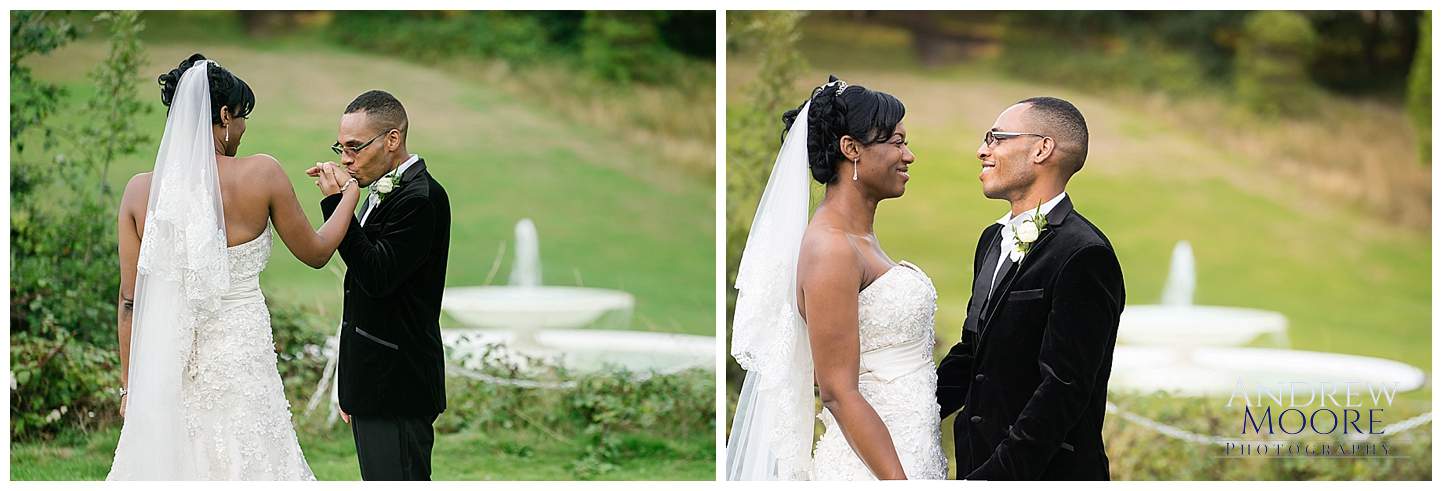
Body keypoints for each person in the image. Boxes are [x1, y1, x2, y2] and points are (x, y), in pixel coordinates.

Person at [110, 53, 361, 480]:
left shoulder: (138, 191)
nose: (243, 129)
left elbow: (130, 301)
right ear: (225, 115)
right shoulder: (262, 173)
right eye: (242, 116)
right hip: (240, 357)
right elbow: (317, 253)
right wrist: (350, 194)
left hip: (168, 362)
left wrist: (130, 386)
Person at [727, 76, 947, 480]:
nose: (909, 155)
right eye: (896, 142)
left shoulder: (858, 239)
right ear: (852, 149)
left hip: (908, 447)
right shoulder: (831, 249)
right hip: (873, 468)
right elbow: (837, 392)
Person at [936, 97, 1126, 480]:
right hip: (977, 466)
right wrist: (898, 409)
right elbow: (973, 352)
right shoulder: (991, 239)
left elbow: (1063, 389)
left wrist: (994, 479)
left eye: (997, 138)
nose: (982, 150)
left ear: (1042, 149)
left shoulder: (1084, 254)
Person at [310, 90, 452, 481]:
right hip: (374, 382)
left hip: (399, 385)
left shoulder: (421, 198)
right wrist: (351, 382)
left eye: (355, 147)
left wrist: (339, 203)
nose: (345, 159)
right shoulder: (382, 191)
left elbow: (375, 276)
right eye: (341, 147)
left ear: (392, 140)